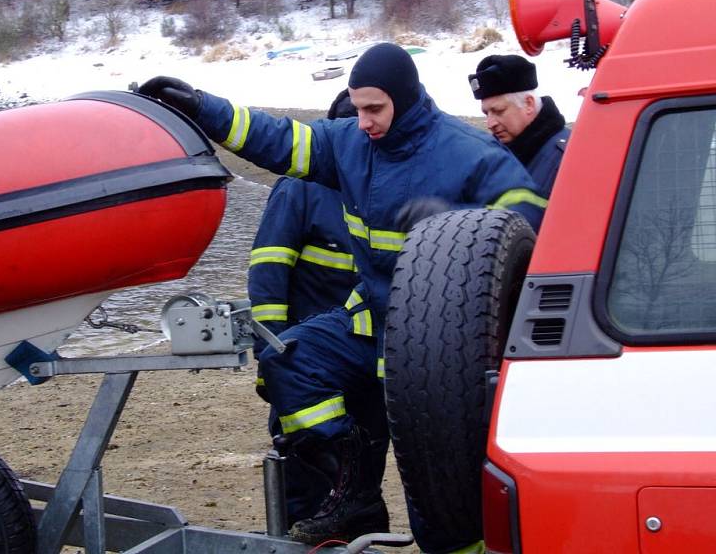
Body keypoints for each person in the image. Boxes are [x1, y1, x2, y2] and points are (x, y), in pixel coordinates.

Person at [138, 42, 547, 548]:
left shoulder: (473, 157)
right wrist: (202, 107)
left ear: (407, 98)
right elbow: (274, 139)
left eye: (375, 109)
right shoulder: (349, 145)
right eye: (357, 109)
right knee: (290, 361)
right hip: (367, 322)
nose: (364, 122)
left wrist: (459, 227)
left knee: (441, 502)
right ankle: (351, 487)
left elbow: (532, 232)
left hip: (439, 346)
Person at [249, 89, 388, 528]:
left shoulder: (381, 188)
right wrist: (272, 355)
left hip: (364, 354)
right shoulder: (300, 188)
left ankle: (359, 527)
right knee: (305, 472)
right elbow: (268, 273)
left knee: (366, 458)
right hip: (306, 359)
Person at [468, 54, 570, 199]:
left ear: (529, 104)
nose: (490, 124)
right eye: (486, 113)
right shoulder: (496, 155)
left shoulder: (567, 160)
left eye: (499, 111)